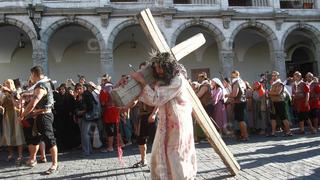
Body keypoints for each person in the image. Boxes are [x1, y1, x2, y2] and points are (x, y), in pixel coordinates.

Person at [130, 51, 197, 179]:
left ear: (168, 66)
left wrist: (143, 82)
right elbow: (153, 96)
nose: (158, 70)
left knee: (176, 156)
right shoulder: (164, 81)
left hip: (178, 126)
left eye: (161, 67)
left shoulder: (178, 80)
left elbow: (158, 98)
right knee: (160, 154)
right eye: (156, 67)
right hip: (165, 124)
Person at [18, 66, 58, 175]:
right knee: (36, 138)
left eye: (31, 75)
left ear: (35, 74)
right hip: (40, 115)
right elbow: (37, 95)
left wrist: (23, 115)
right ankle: (33, 159)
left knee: (49, 139)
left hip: (44, 116)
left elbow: (33, 102)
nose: (30, 77)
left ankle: (55, 164)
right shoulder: (43, 84)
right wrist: (27, 94)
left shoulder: (41, 85)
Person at [0, 79, 25, 165]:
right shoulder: (3, 93)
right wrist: (3, 94)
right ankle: (10, 154)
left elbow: (18, 97)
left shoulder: (17, 90)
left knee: (18, 134)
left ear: (13, 84)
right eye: (7, 83)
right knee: (8, 134)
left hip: (16, 115)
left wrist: (10, 92)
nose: (8, 84)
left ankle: (20, 155)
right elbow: (1, 103)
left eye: (10, 83)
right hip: (7, 115)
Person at [225, 70, 249, 141]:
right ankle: (243, 134)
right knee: (240, 120)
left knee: (241, 120)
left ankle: (245, 136)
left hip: (239, 102)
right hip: (242, 101)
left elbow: (234, 94)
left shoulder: (236, 83)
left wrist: (227, 95)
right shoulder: (242, 81)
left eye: (232, 76)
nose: (231, 77)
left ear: (236, 75)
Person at [268, 71, 292, 137]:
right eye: (272, 75)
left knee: (283, 117)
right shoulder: (273, 84)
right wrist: (270, 93)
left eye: (275, 75)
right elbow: (272, 93)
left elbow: (278, 93)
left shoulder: (280, 83)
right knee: (273, 118)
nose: (273, 77)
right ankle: (273, 133)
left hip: (280, 102)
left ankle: (289, 132)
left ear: (278, 76)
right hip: (273, 103)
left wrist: (269, 93)